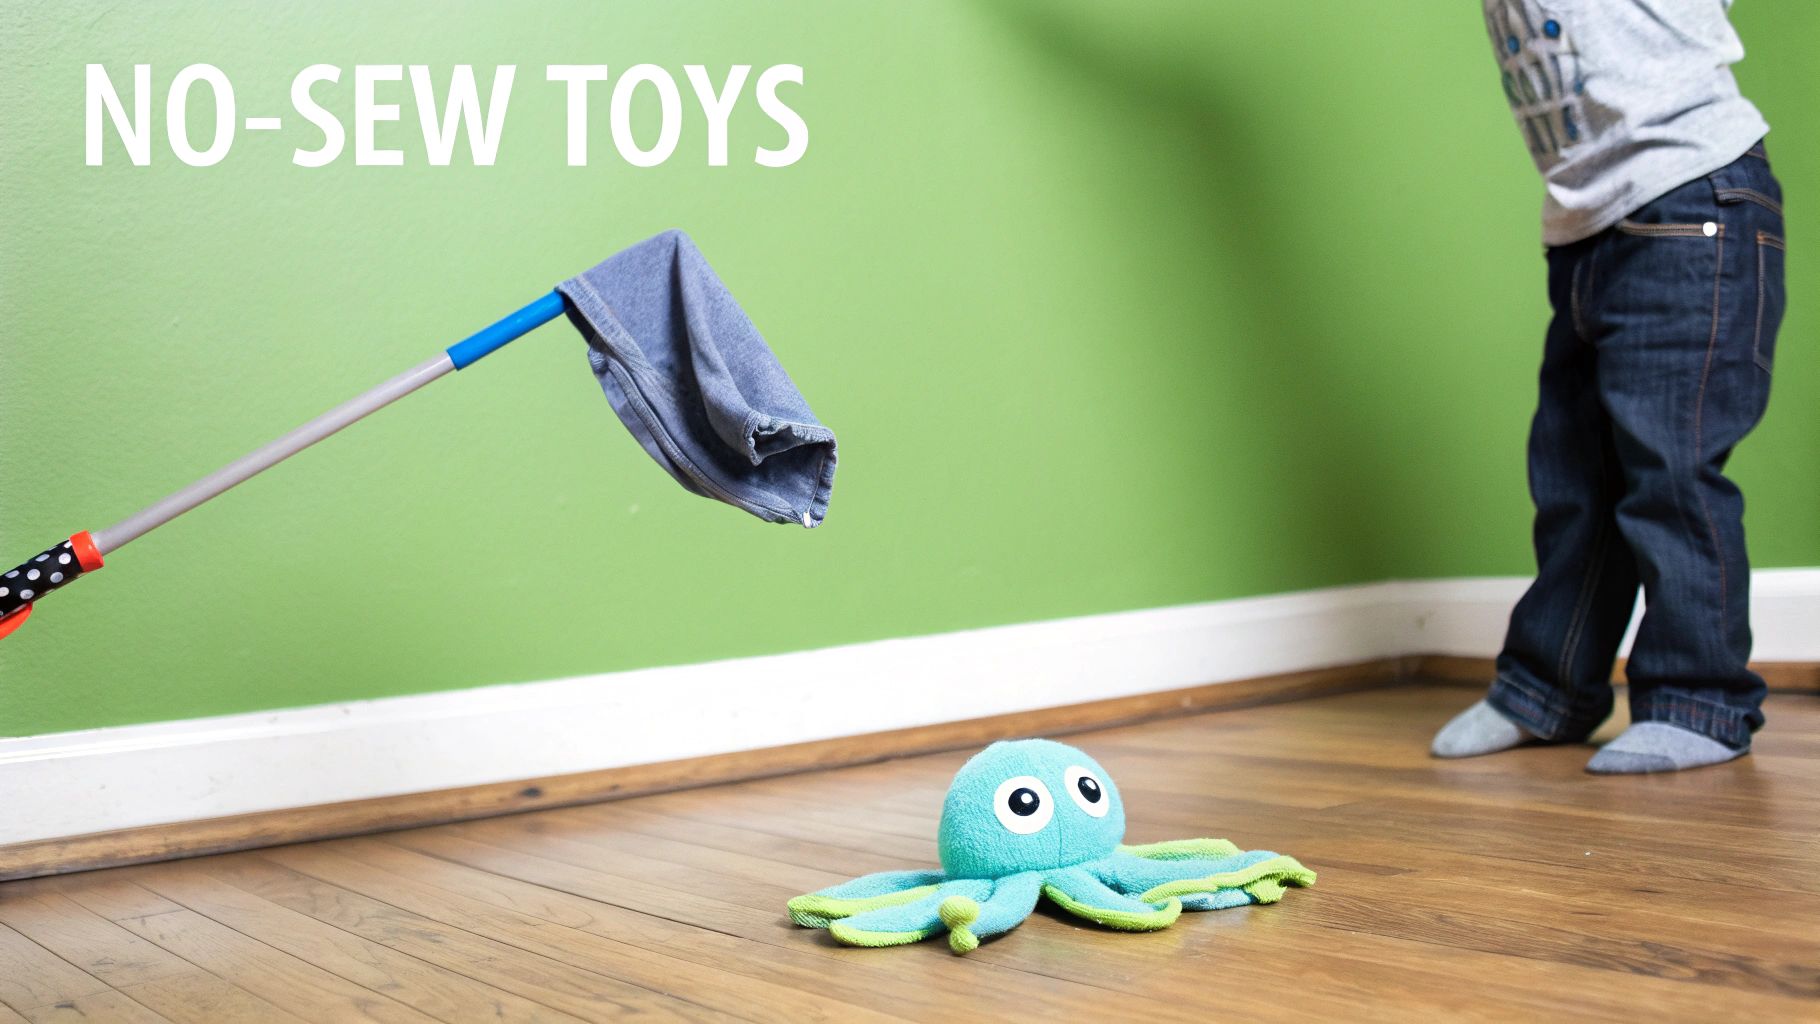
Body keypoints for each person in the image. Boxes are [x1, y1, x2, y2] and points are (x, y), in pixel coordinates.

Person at [1433, 1, 1787, 773]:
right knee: (1576, 480)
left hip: (1693, 192)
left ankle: (1701, 699)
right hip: (1586, 227)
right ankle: (1546, 689)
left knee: (1672, 471)